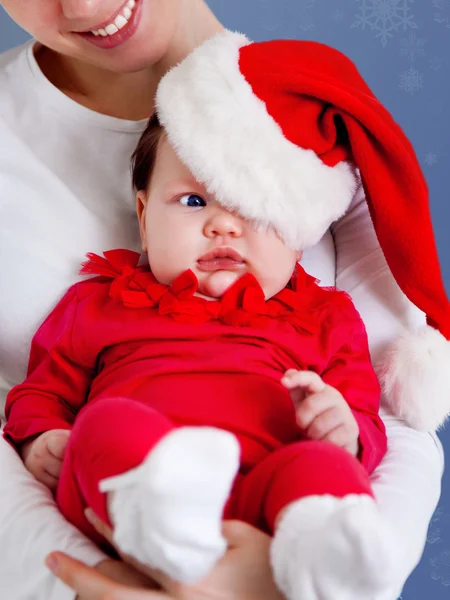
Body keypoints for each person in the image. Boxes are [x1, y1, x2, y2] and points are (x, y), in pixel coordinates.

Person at [0, 2, 444, 600]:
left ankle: (325, 555)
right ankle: (161, 518)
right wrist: (41, 436)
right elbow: (43, 389)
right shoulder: (99, 304)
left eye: (253, 211)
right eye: (192, 204)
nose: (223, 228)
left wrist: (344, 430)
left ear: (302, 228)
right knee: (108, 426)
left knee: (321, 472)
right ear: (141, 214)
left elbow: (378, 413)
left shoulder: (323, 312)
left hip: (272, 491)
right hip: (123, 510)